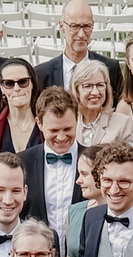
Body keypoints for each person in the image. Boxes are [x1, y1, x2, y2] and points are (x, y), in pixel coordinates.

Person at [22, 88, 86, 228]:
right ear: (39, 123)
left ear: (77, 119)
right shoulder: (22, 163)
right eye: (54, 130)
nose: (61, 137)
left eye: (67, 129)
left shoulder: (95, 161)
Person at [34, 0, 121, 91]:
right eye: (74, 26)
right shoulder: (42, 74)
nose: (81, 34)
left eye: (87, 26)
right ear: (62, 27)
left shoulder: (110, 69)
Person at [73, 60, 129, 147]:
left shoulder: (123, 123)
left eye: (100, 85)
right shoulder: (68, 122)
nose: (95, 92)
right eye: (87, 86)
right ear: (77, 90)